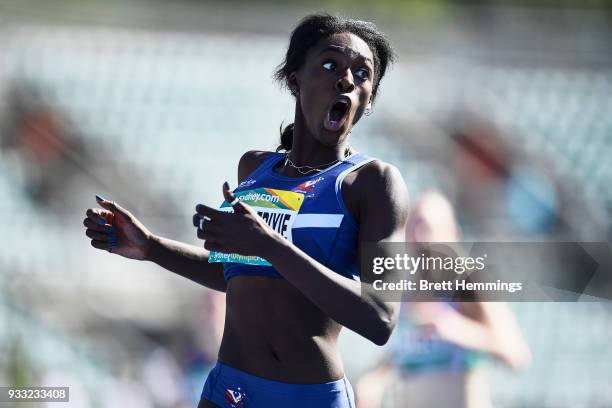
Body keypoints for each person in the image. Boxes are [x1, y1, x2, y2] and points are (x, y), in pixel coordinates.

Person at [83, 14, 409, 408]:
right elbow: (236, 274)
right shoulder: (254, 169)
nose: (346, 80)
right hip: (230, 391)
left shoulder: (374, 183)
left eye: (362, 74)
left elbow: (380, 318)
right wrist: (151, 247)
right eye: (330, 65)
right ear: (294, 78)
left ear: (368, 100)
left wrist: (269, 244)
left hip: (308, 399)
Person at [355, 191, 531, 408]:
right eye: (413, 227)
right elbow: (403, 354)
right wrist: (374, 381)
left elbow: (516, 353)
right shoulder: (406, 297)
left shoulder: (469, 283)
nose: (420, 237)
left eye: (427, 227)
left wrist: (453, 327)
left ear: (452, 234)